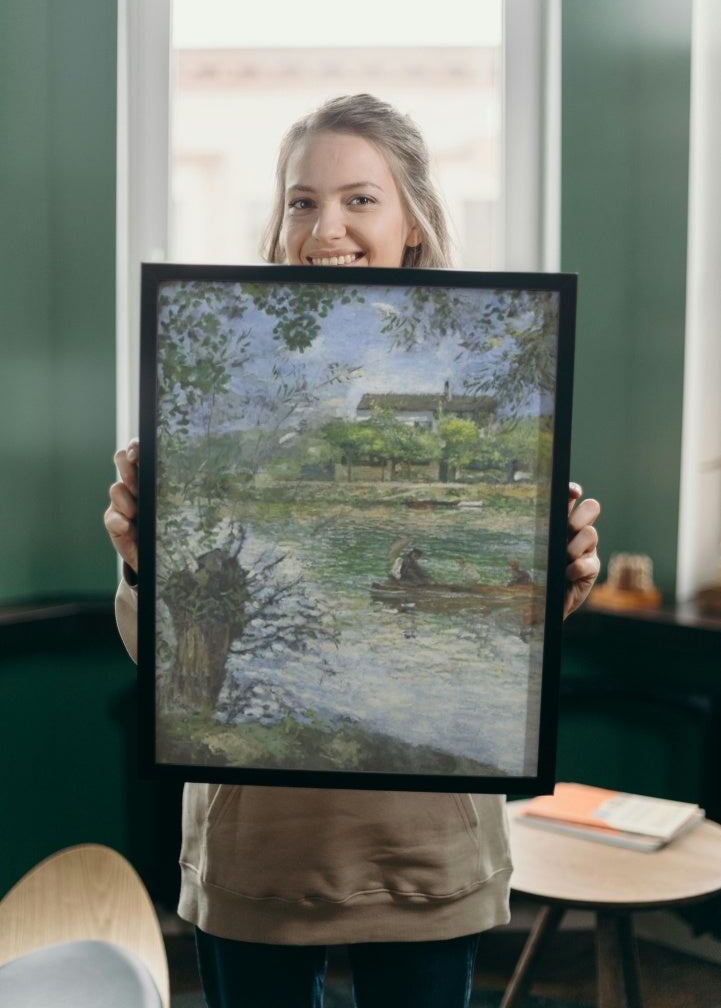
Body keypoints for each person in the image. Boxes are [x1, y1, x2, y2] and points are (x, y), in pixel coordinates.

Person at [105, 94, 601, 1008]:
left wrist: (563, 578)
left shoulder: (495, 348)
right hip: (255, 852)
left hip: (425, 852)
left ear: (413, 220)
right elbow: (168, 663)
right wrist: (144, 562)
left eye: (359, 199)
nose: (324, 226)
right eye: (301, 200)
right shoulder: (213, 387)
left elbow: (515, 660)